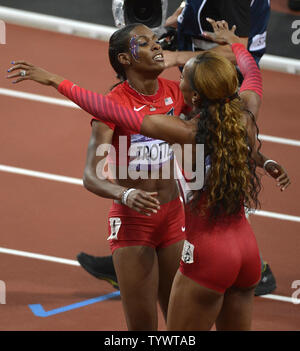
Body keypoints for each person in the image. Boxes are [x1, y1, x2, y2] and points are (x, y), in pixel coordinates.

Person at [7, 21, 291, 330]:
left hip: (197, 239)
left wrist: (54, 80)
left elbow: (110, 110)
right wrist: (237, 44)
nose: (161, 50)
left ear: (194, 96)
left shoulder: (183, 127)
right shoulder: (244, 112)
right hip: (233, 244)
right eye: (145, 43)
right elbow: (252, 74)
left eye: (187, 72)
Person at [77, 0, 273, 298]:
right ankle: (142, 254)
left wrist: (172, 57)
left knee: (206, 183)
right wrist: (170, 28)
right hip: (202, 91)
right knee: (194, 180)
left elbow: (239, 52)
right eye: (144, 44)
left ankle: (242, 264)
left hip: (212, 93)